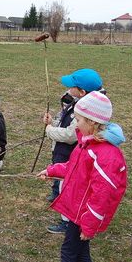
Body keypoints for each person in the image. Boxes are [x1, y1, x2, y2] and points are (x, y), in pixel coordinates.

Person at [35, 92, 127, 262]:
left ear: (93, 122)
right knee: (81, 253)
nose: (75, 123)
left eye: (79, 119)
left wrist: (89, 224)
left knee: (69, 252)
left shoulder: (104, 154)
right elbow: (72, 168)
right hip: (77, 209)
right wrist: (52, 170)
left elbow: (103, 194)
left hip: (82, 214)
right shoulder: (87, 144)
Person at [42, 68, 104, 234]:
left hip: (71, 154)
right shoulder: (77, 102)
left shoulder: (89, 110)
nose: (67, 89)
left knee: (68, 187)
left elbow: (71, 134)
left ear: (82, 92)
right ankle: (62, 204)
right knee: (63, 184)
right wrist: (53, 122)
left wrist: (49, 130)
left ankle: (68, 222)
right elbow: (64, 121)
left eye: (71, 86)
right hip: (65, 154)